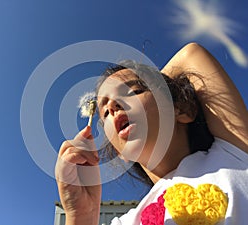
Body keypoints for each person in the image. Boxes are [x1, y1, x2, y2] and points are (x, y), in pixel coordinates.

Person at [55, 42, 248, 225]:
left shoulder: (234, 152)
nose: (113, 106)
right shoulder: (126, 221)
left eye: (133, 92)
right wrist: (81, 218)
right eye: (105, 112)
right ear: (120, 153)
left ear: (182, 110)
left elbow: (191, 54)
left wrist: (166, 89)